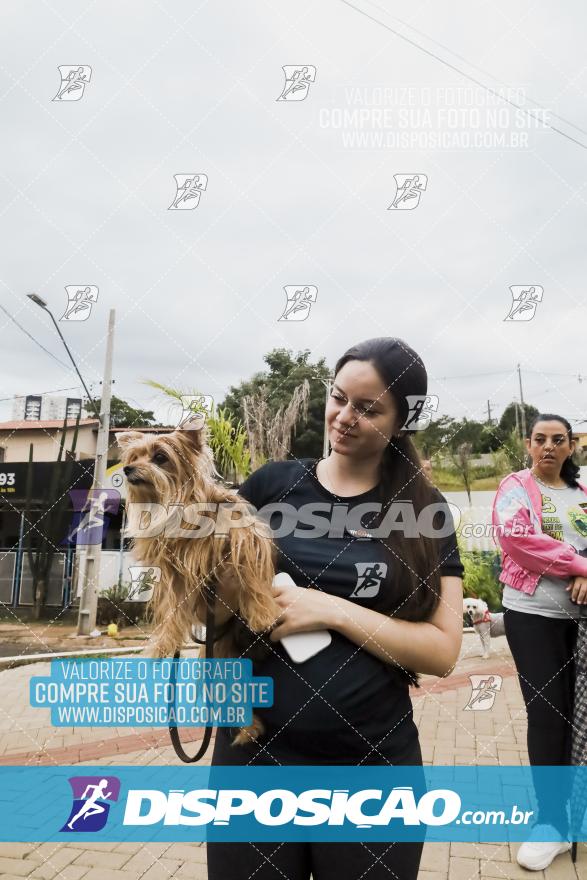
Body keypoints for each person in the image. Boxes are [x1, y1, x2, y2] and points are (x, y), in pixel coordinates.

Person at [206, 337, 464, 880]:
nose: (344, 417)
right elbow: (211, 618)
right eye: (338, 397)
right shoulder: (271, 485)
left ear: (401, 423)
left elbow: (442, 652)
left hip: (371, 769)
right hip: (254, 763)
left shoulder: (424, 511)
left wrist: (331, 609)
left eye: (368, 409)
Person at [491, 413, 587, 871]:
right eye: (539, 439)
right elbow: (518, 540)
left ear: (571, 447)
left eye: (558, 440)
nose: (548, 446)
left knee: (581, 718)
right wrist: (581, 566)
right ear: (528, 445)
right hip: (533, 618)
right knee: (549, 715)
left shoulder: (582, 494)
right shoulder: (515, 487)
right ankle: (549, 823)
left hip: (582, 624)